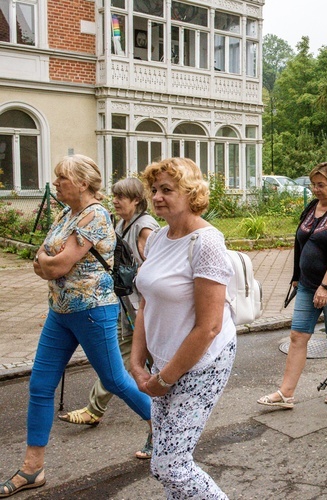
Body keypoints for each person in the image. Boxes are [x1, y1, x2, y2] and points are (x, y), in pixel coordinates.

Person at [0, 155, 151, 498]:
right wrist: (48, 265)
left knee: (114, 379)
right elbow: (41, 258)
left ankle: (162, 427)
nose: (56, 183)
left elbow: (57, 263)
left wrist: (48, 265)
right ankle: (32, 467)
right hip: (60, 312)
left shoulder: (95, 215)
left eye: (62, 178)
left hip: (92, 312)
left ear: (82, 183)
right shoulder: (67, 215)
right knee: (39, 385)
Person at [129, 157, 236, 498]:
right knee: (165, 462)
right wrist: (136, 360)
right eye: (154, 189)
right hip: (164, 361)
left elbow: (209, 327)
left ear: (191, 194)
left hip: (201, 363)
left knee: (170, 465)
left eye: (167, 190)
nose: (157, 197)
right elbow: (146, 300)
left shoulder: (206, 243)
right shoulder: (160, 237)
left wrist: (165, 379)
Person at [57, 178, 159, 459]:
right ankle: (100, 409)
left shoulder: (145, 228)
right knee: (129, 363)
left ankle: (155, 426)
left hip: (143, 309)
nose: (115, 201)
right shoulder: (118, 225)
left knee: (142, 365)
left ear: (136, 200)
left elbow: (155, 272)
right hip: (126, 306)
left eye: (122, 197)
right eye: (114, 196)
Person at [258, 162, 327, 408]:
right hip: (306, 284)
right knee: (297, 336)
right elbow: (301, 242)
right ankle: (286, 393)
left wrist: (325, 287)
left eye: (321, 185)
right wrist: (295, 275)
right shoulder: (312, 207)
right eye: (313, 184)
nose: (315, 189)